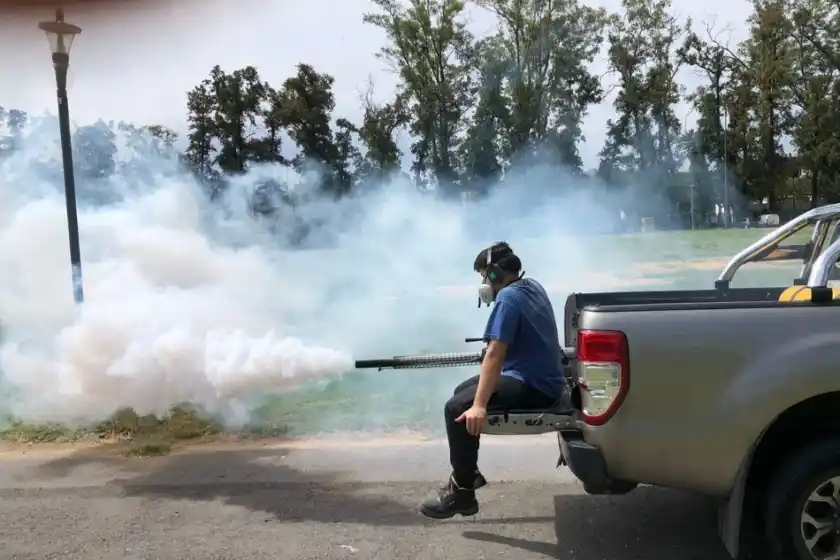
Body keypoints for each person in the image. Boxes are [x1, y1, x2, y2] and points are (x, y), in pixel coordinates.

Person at [420, 241, 568, 519]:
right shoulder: (530, 285)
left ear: (494, 274)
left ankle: (462, 492)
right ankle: (469, 470)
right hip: (543, 378)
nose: (482, 283)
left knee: (457, 408)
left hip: (535, 385)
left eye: (482, 275)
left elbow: (495, 353)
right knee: (461, 391)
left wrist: (479, 406)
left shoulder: (508, 298)